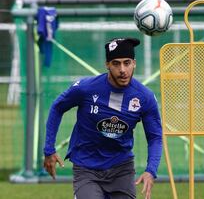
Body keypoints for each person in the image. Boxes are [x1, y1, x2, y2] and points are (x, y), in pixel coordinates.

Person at [43, 37, 163, 199]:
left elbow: (155, 137)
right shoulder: (86, 88)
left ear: (134, 63)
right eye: (116, 63)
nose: (122, 69)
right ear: (107, 65)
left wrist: (151, 170)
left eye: (127, 63)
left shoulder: (145, 97)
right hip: (86, 167)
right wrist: (49, 149)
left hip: (121, 167)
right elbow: (57, 107)